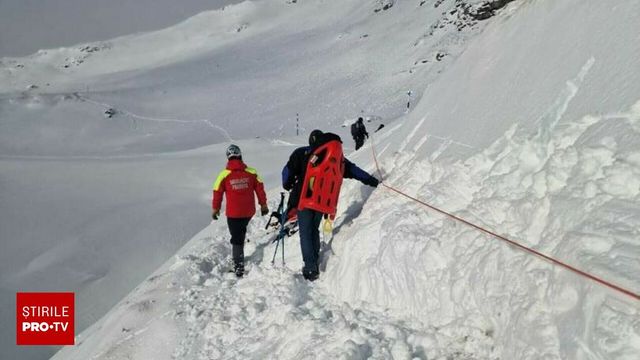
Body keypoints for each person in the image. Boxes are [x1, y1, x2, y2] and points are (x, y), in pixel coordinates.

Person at [282, 130, 379, 281]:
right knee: (313, 229)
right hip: (322, 202)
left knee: (306, 233)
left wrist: (287, 185)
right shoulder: (336, 158)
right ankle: (313, 259)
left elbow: (287, 174)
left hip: (305, 199)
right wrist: (373, 181)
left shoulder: (302, 153)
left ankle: (310, 268)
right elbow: (354, 171)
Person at [212, 144, 269, 277]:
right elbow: (260, 188)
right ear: (240, 155)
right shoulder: (252, 172)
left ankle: (238, 266)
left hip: (233, 213)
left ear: (228, 158)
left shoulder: (224, 175)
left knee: (236, 237)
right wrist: (263, 205)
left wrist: (216, 209)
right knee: (240, 232)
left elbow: (217, 192)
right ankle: (240, 254)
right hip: (249, 211)